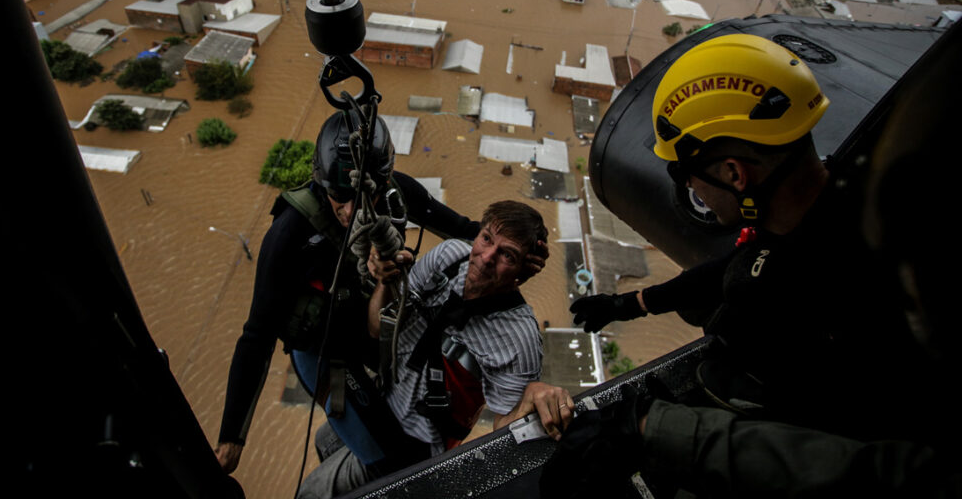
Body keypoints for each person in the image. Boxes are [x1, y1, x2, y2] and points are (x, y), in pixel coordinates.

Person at [542, 27, 962, 498]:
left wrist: (656, 431)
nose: (690, 190)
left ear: (733, 173)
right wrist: (630, 303)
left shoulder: (846, 296)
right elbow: (735, 267)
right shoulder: (818, 212)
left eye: (684, 174)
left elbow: (830, 454)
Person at [216, 111, 546, 477]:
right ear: (321, 183)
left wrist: (525, 254)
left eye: (366, 195)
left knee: (394, 438)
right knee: (393, 466)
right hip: (324, 350)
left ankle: (341, 450)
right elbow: (257, 335)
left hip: (375, 334)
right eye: (340, 196)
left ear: (384, 179)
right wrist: (232, 438)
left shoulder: (395, 194)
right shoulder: (290, 232)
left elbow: (467, 232)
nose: (351, 210)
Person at [299, 200, 574, 498]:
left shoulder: (519, 338)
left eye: (507, 255)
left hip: (413, 447)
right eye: (486, 239)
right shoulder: (448, 258)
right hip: (382, 398)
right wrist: (385, 281)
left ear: (523, 271)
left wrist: (530, 398)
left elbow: (504, 434)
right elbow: (378, 329)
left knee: (312, 493)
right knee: (326, 441)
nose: (486, 258)